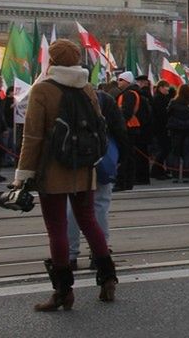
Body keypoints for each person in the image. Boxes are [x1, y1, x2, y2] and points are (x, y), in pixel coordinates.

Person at [11, 39, 117, 311]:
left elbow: (32, 137)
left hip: (53, 168)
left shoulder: (42, 90)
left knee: (57, 229)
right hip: (84, 167)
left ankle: (63, 293)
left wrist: (21, 175)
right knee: (89, 221)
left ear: (52, 62)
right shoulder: (88, 88)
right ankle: (108, 279)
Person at [68, 88, 127, 270]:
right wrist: (122, 157)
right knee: (100, 205)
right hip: (101, 157)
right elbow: (119, 130)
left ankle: (70, 255)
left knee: (71, 207)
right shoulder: (104, 98)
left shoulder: (63, 96)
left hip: (72, 159)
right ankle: (99, 253)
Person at [113, 71, 143, 191]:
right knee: (128, 156)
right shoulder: (130, 93)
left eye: (121, 80)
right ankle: (126, 182)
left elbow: (126, 111)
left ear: (127, 81)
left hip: (128, 127)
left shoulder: (129, 94)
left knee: (125, 156)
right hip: (130, 126)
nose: (118, 82)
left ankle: (123, 182)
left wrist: (120, 124)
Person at [167, 84, 189, 182]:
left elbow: (168, 114)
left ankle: (175, 175)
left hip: (176, 129)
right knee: (187, 153)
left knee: (176, 153)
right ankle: (186, 175)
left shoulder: (174, 102)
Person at [150, 80, 172, 180]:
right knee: (163, 149)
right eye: (165, 87)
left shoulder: (161, 98)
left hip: (160, 127)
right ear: (160, 88)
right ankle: (156, 170)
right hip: (161, 127)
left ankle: (158, 170)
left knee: (164, 149)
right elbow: (161, 114)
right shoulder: (159, 99)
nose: (167, 89)